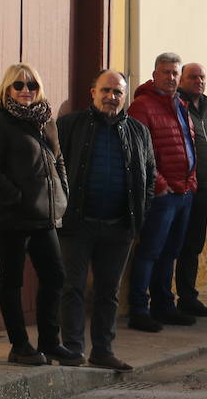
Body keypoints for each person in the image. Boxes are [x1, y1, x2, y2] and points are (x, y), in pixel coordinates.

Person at [0, 63, 72, 366]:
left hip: (45, 216)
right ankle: (19, 345)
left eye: (31, 85)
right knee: (12, 280)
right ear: (7, 89)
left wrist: (63, 194)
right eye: (18, 85)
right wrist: (14, 196)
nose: (25, 90)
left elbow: (58, 160)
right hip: (13, 217)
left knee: (55, 277)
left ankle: (49, 342)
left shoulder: (46, 122)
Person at [56, 71, 154, 371]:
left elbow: (149, 176)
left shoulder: (138, 131)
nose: (112, 97)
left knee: (107, 292)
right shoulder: (69, 125)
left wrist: (139, 214)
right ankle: (72, 349)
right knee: (72, 288)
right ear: (93, 92)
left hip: (119, 225)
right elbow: (53, 169)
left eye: (118, 92)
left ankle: (103, 350)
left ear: (125, 97)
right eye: (106, 90)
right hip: (77, 223)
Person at [124, 52, 197, 332]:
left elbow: (187, 145)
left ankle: (165, 306)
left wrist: (192, 181)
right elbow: (138, 153)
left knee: (171, 252)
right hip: (162, 195)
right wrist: (161, 185)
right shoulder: (142, 106)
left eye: (175, 73)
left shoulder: (180, 104)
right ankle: (139, 311)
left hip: (184, 192)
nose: (171, 77)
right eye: (165, 72)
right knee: (150, 252)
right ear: (154, 74)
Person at [175, 62, 207, 317]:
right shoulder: (176, 106)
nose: (198, 81)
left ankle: (188, 297)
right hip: (182, 189)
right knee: (173, 245)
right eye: (192, 77)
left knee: (193, 245)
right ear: (182, 80)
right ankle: (161, 300)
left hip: (205, 188)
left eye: (202, 77)